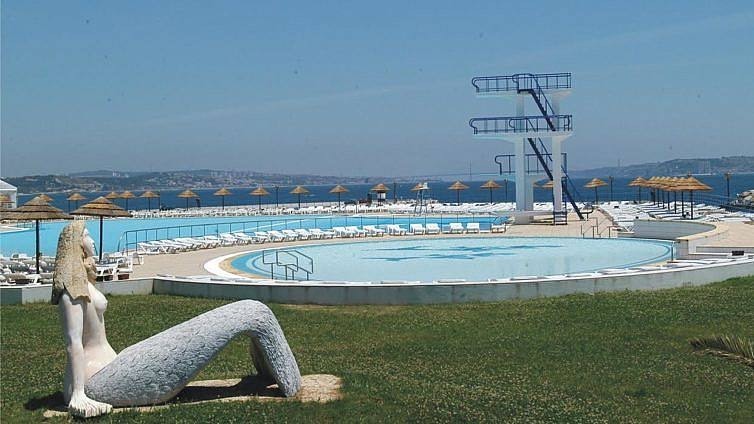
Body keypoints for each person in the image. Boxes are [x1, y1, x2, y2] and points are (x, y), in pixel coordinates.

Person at [52, 221, 115, 417]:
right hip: (91, 372)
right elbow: (73, 342)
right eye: (87, 235)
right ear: (76, 243)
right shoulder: (72, 291)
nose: (93, 240)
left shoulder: (83, 284)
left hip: (104, 363)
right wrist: (78, 393)